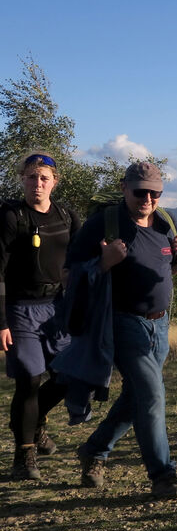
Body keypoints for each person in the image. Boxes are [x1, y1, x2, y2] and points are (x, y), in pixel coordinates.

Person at [66, 161, 177, 498]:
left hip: (160, 324)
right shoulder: (102, 226)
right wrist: (103, 263)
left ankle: (94, 450)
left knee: (136, 396)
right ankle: (163, 475)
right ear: (124, 188)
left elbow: (165, 271)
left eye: (155, 192)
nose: (148, 198)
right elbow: (69, 276)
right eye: (140, 192)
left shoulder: (166, 221)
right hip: (121, 322)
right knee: (152, 395)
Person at [0, 151, 80, 480]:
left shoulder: (66, 216)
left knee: (71, 375)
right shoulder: (10, 217)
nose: (37, 183)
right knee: (30, 380)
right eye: (31, 177)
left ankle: (34, 420)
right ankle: (24, 456)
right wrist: (0, 322)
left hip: (57, 309)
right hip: (20, 310)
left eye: (44, 178)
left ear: (54, 182)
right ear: (22, 179)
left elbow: (84, 259)